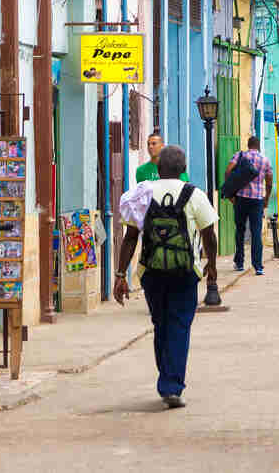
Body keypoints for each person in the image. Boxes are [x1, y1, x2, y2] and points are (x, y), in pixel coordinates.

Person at [114, 145, 217, 409]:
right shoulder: (194, 194)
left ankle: (166, 379)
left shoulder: (143, 193)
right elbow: (209, 234)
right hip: (185, 272)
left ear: (158, 169)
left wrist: (119, 275)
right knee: (179, 326)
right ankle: (171, 385)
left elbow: (130, 238)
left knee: (160, 324)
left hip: (151, 272)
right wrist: (212, 266)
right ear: (183, 170)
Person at [225, 136, 272, 276]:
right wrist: (266, 199)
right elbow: (269, 182)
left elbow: (228, 171)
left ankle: (239, 262)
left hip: (240, 198)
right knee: (256, 232)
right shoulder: (265, 160)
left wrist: (230, 192)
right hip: (257, 200)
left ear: (248, 144)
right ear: (258, 146)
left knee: (240, 229)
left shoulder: (240, 156)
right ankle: (258, 266)